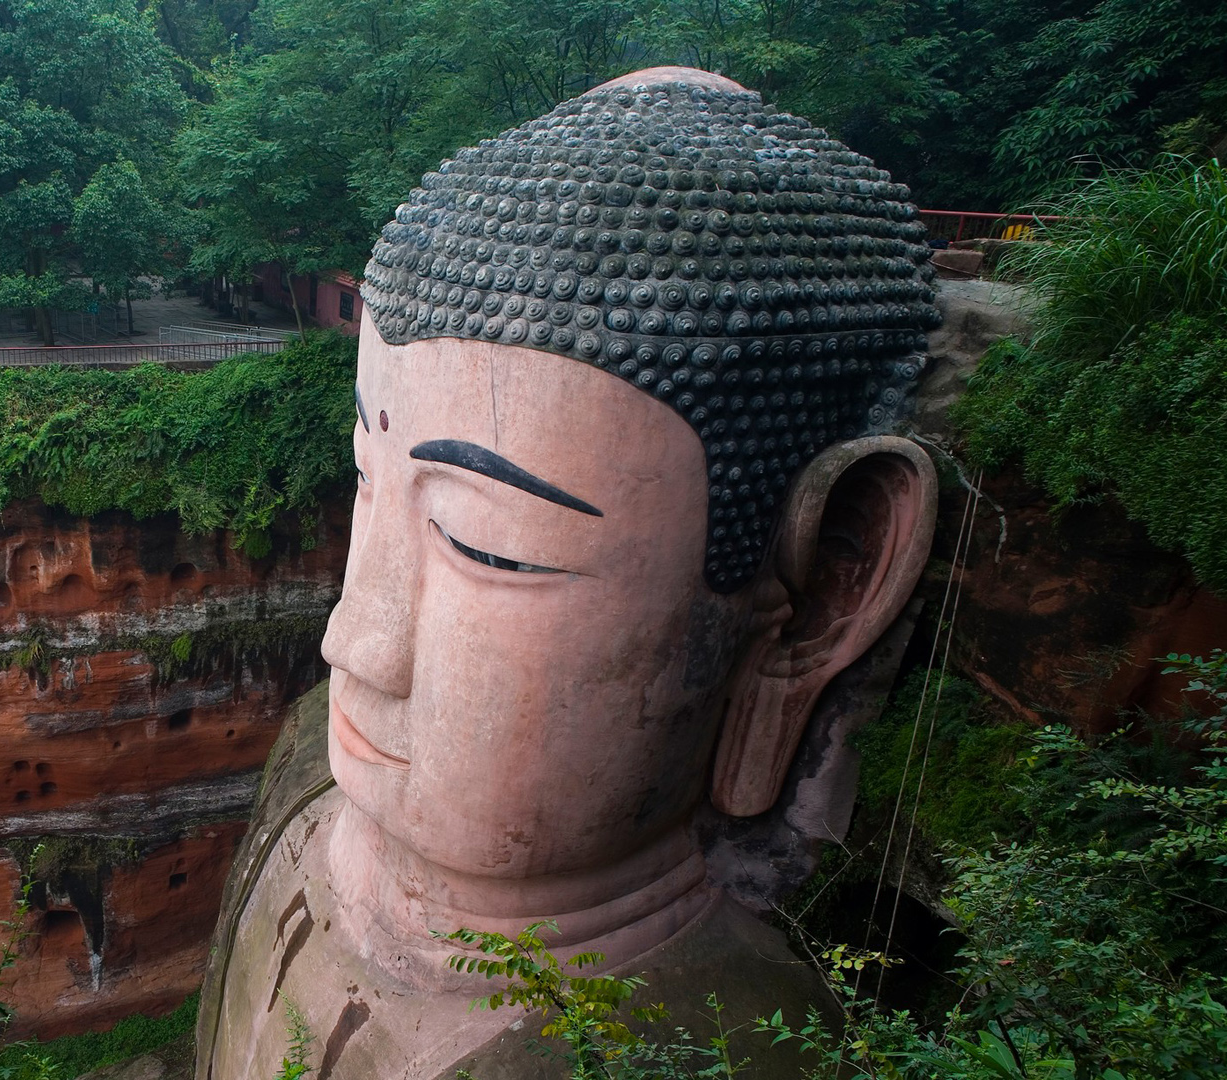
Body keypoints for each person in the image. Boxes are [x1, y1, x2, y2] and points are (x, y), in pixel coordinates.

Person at [199, 66, 941, 1079]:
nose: (351, 642)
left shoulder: (735, 1047)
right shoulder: (304, 777)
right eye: (366, 482)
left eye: (485, 545)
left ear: (823, 599)